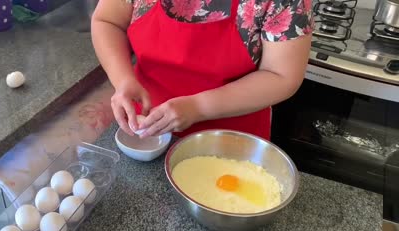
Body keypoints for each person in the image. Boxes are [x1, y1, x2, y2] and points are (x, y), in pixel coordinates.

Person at [91, 0, 313, 140]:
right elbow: (107, 21)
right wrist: (123, 80)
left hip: (229, 142)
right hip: (144, 132)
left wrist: (196, 107)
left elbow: (282, 76)